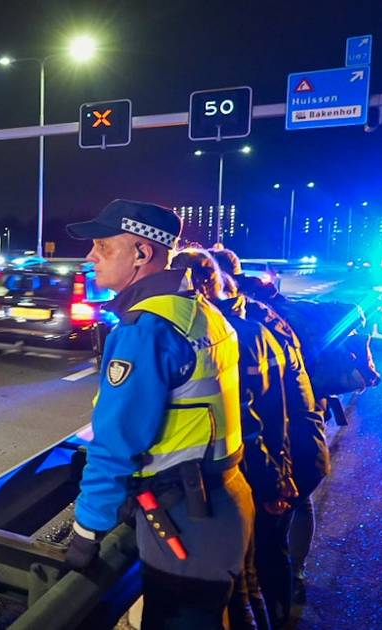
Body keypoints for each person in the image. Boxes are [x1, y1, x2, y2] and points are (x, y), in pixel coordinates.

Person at [63, 199, 252, 628]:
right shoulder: (198, 309)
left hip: (186, 519)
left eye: (102, 247)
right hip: (222, 502)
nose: (90, 257)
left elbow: (116, 441)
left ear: (141, 254)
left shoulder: (146, 327)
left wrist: (89, 527)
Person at [171, 249, 295, 630]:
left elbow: (248, 417)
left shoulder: (219, 335)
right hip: (260, 471)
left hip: (241, 477)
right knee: (256, 573)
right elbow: (278, 408)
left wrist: (273, 478)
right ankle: (280, 614)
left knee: (243, 585)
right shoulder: (249, 321)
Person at [212, 248, 329, 625]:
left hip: (286, 459)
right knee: (278, 548)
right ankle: (292, 585)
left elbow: (253, 420)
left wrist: (272, 485)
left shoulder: (240, 332)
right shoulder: (264, 312)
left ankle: (280, 611)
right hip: (305, 445)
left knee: (265, 561)